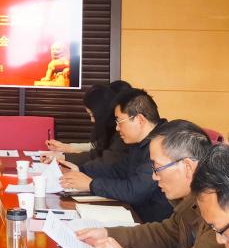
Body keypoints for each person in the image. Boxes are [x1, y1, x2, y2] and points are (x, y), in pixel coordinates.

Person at [75, 120, 229, 248]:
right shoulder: (191, 199)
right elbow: (167, 233)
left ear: (187, 167)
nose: (154, 177)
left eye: (157, 168)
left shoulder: (221, 206)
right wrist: (107, 233)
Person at [60, 88, 173, 222]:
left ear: (140, 120)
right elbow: (117, 170)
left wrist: (91, 184)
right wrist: (80, 171)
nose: (117, 128)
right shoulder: (140, 142)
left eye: (119, 121)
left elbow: (134, 191)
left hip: (151, 224)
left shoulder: (163, 145)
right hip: (135, 214)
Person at [43, 80, 132, 169]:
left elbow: (103, 159)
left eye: (92, 115)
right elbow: (96, 150)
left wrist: (67, 158)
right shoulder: (110, 129)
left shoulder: (122, 135)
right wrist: (65, 150)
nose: (92, 120)